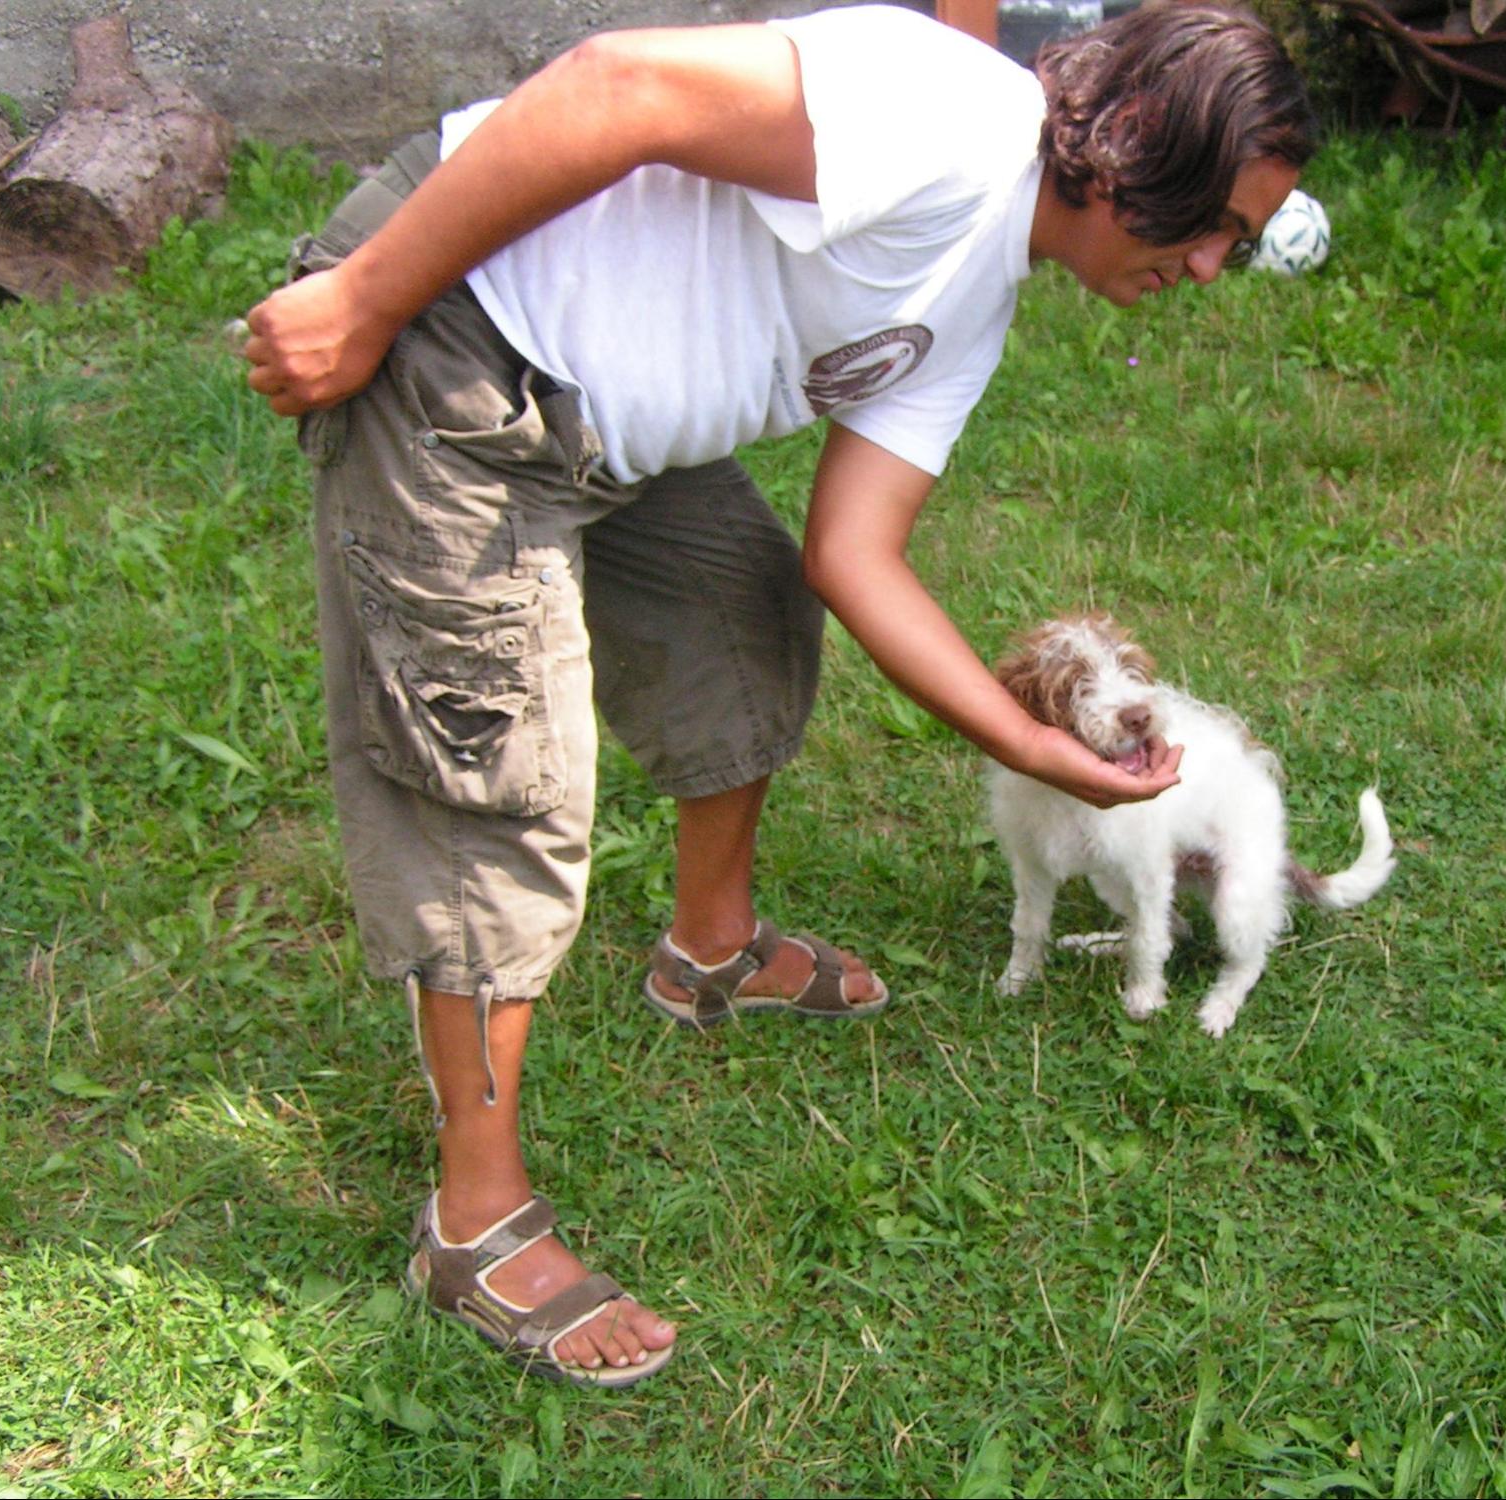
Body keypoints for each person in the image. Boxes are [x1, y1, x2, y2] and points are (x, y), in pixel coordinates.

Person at [242, 0, 1315, 1388]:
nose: (1218, 264)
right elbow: (621, 85)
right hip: (460, 335)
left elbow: (854, 554)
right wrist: (372, 295)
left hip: (606, 429)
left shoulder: (977, 296)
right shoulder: (947, 121)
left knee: (745, 614)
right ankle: (475, 1215)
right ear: (1137, 151)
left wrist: (1037, 752)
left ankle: (710, 949)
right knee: (491, 764)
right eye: (1219, 221)